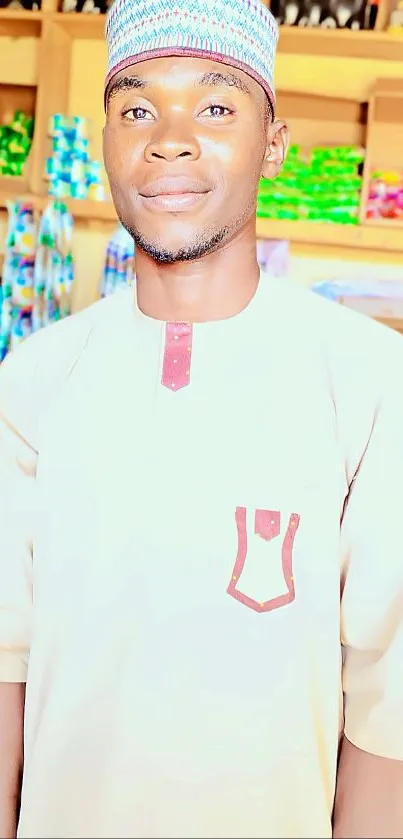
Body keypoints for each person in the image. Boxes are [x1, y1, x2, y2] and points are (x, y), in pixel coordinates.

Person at [1, 0, 403, 836]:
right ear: (105, 138)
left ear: (274, 143)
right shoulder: (35, 382)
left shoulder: (365, 379)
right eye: (137, 108)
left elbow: (387, 699)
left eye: (215, 106)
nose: (170, 137)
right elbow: (6, 659)